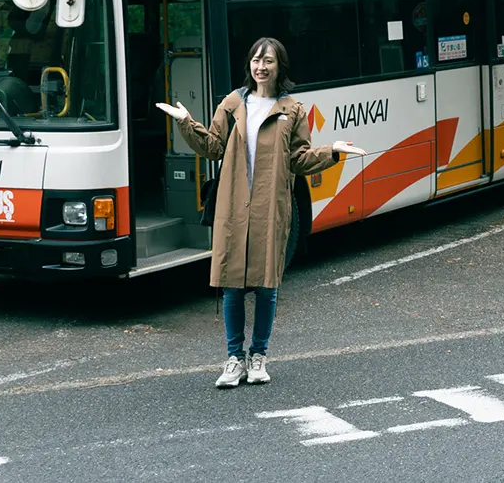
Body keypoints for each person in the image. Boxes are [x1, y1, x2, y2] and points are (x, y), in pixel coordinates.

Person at [157, 37, 366, 389]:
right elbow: (212, 147)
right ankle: (234, 359)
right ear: (249, 65)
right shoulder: (234, 103)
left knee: (267, 285)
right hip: (234, 205)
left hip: (271, 207)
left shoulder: (292, 109)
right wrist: (186, 122)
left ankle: (259, 356)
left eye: (268, 61)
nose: (261, 66)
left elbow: (299, 160)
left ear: (279, 66)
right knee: (232, 283)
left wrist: (331, 151)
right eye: (256, 60)